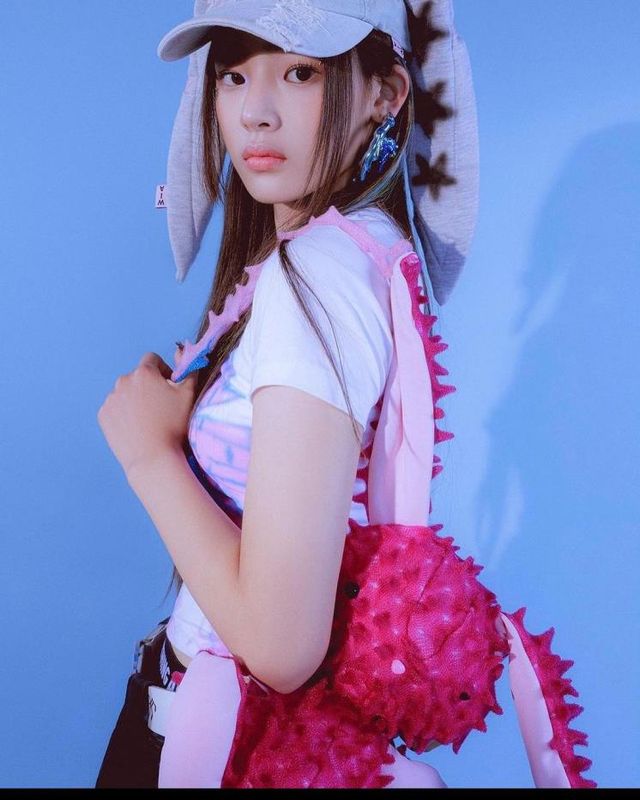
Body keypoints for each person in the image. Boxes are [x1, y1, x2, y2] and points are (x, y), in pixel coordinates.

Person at [94, 0, 596, 790]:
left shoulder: (317, 276)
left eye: (300, 72)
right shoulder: (369, 250)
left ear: (384, 94)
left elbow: (281, 645)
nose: (256, 112)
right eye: (233, 75)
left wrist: (147, 455)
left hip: (220, 744)